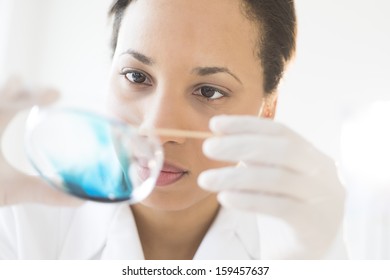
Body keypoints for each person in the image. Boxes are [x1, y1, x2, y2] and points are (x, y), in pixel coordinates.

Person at [0, 0, 346, 259]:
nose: (157, 130)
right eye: (136, 76)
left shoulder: (297, 246)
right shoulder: (19, 225)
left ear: (267, 109)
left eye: (209, 91)